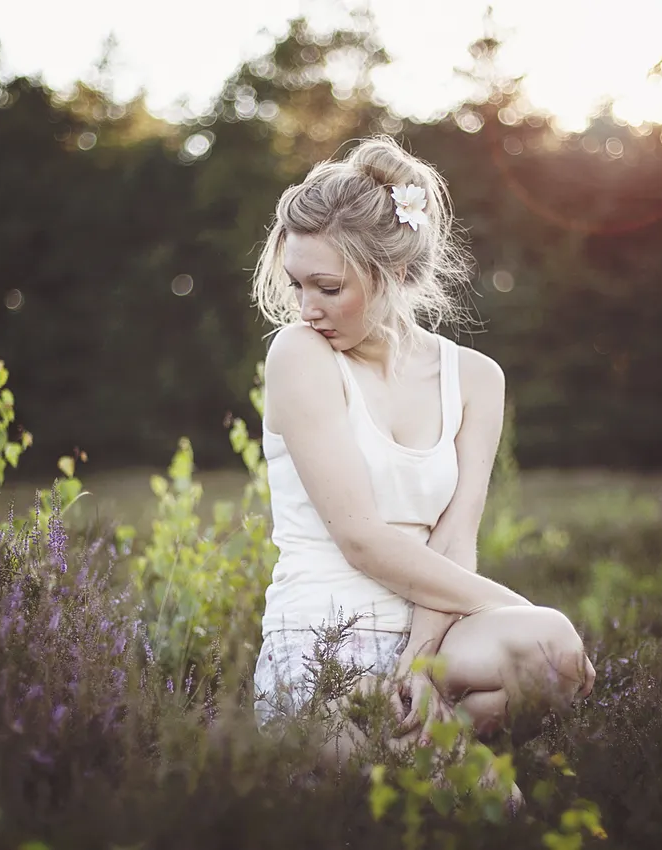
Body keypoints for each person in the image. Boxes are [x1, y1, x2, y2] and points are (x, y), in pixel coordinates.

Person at [249, 135, 596, 767]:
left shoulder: (477, 379)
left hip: (443, 642)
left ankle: (430, 743)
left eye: (327, 287)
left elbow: (456, 537)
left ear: (396, 274)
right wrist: (509, 604)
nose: (306, 308)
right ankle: (432, 758)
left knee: (556, 649)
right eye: (297, 285)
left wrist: (420, 659)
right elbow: (361, 540)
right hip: (323, 646)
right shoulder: (299, 354)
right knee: (470, 802)